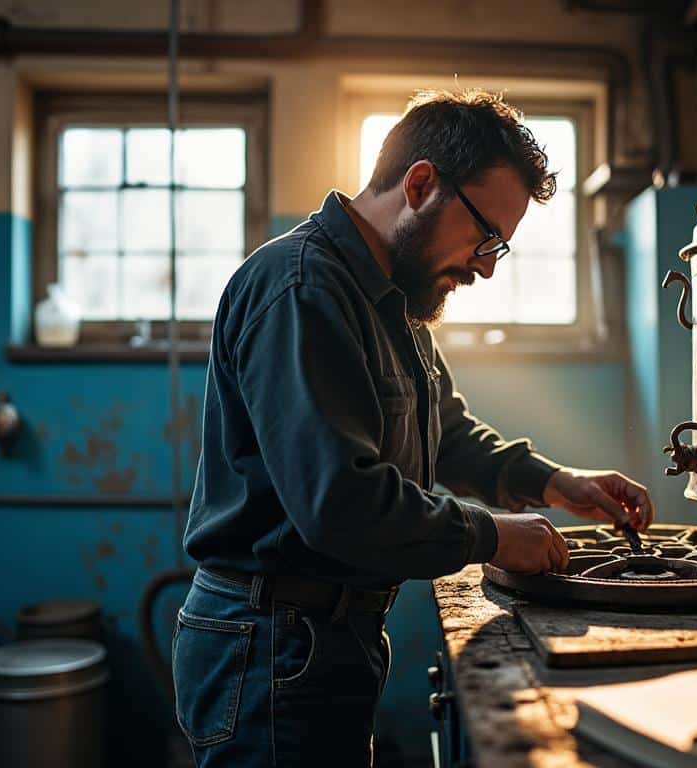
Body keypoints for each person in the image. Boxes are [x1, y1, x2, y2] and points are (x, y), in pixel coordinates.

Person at [173, 88, 656, 767]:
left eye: (502, 249)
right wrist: (491, 536)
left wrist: (553, 482)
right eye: (486, 236)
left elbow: (445, 433)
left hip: (323, 635)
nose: (486, 265)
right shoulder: (303, 289)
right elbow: (340, 503)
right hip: (272, 640)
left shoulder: (391, 297)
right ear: (422, 184)